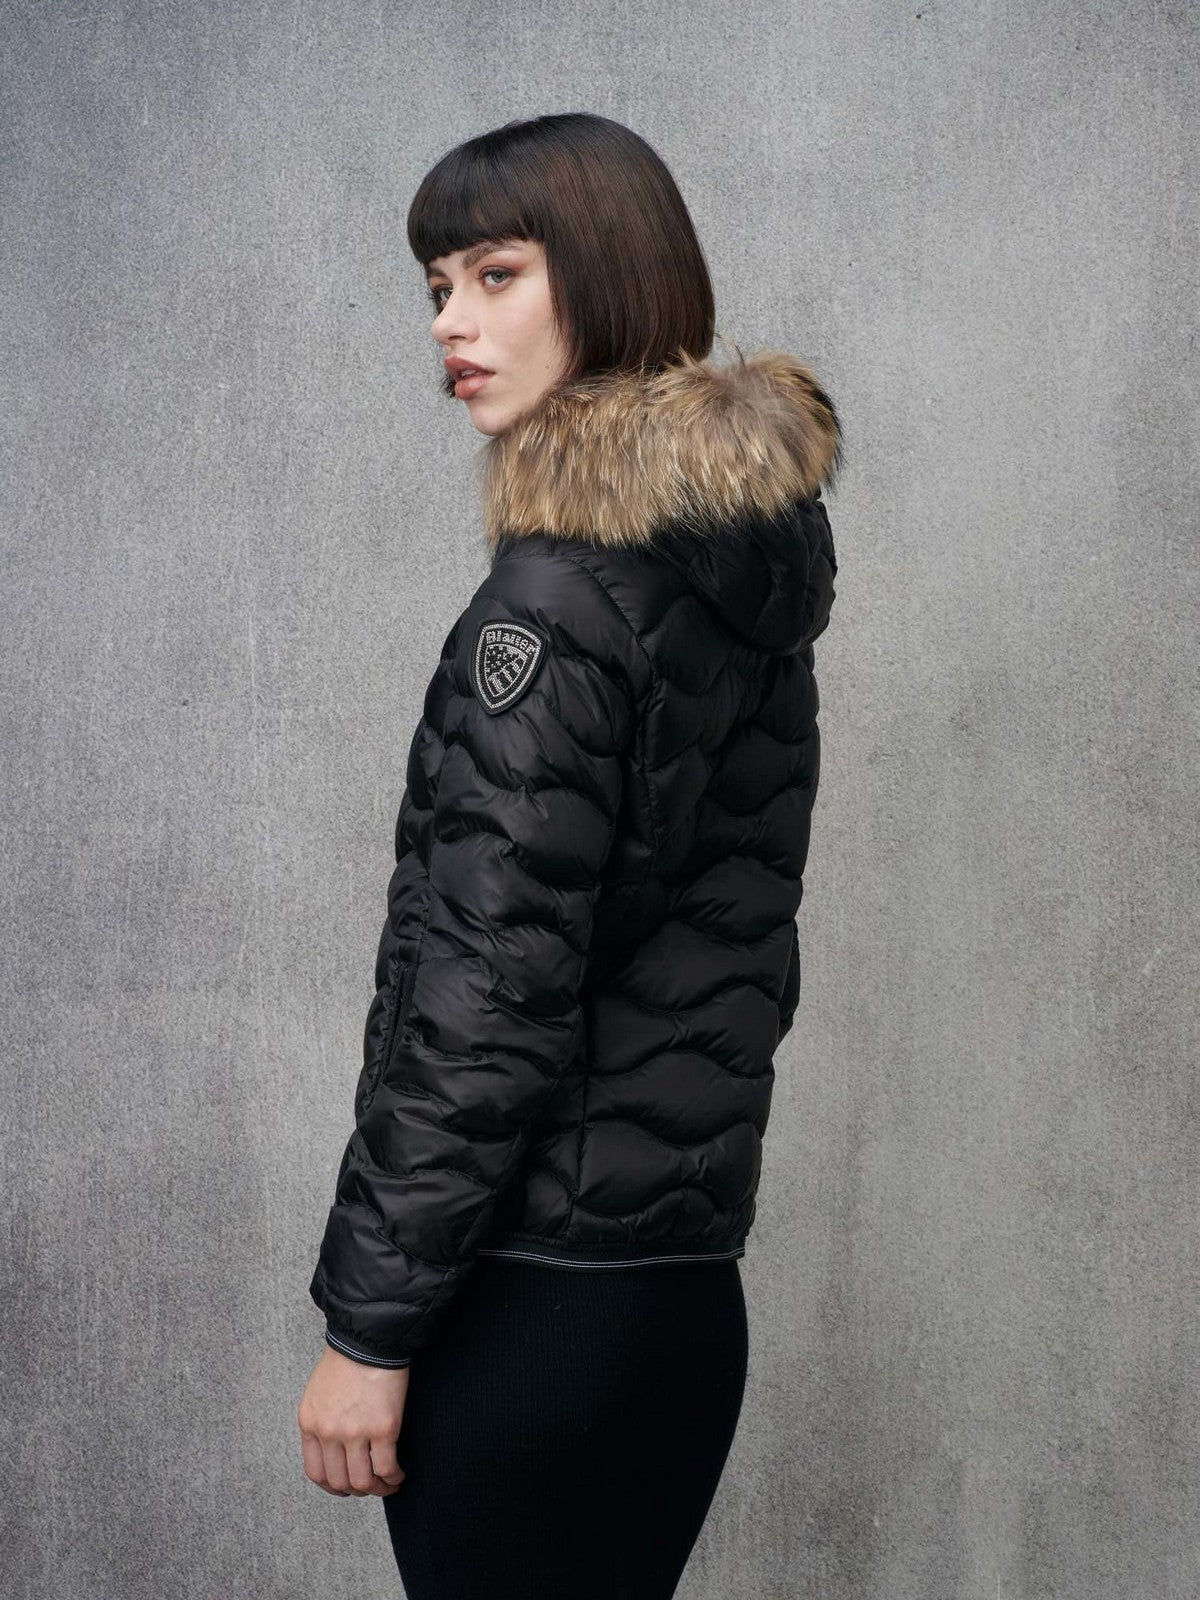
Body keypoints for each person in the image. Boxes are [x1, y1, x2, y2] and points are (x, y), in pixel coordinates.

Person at [297, 111, 842, 1600]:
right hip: (677, 1305)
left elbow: (484, 1005)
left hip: (531, 1309)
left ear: (605, 274)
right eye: (436, 288)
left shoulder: (553, 607)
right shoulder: (730, 572)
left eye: (496, 274)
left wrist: (368, 1332)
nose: (450, 323)